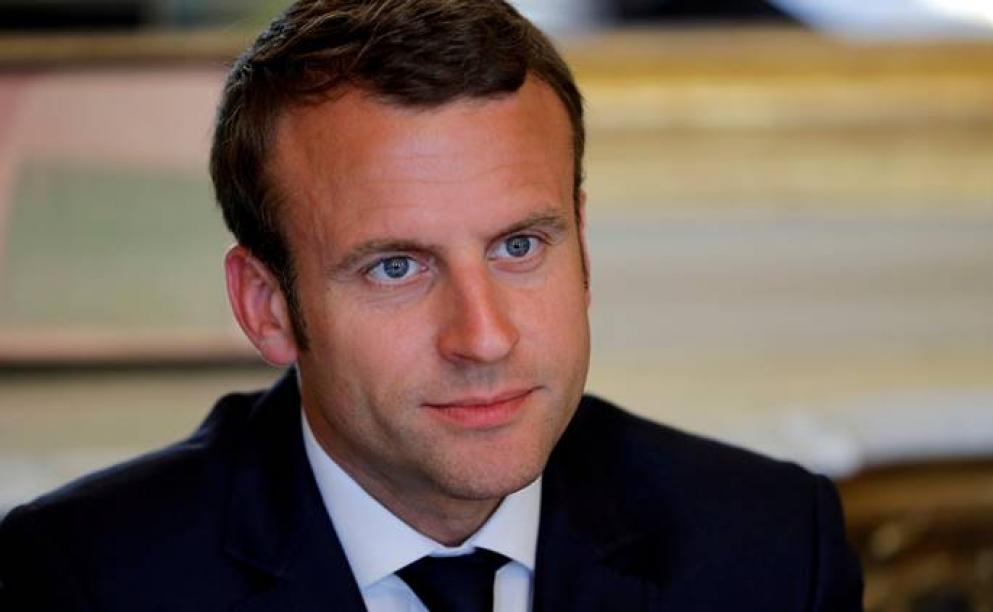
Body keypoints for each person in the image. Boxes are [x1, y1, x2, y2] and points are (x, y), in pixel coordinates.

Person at [0, 1, 863, 610]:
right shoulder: (84, 582)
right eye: (396, 268)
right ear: (267, 307)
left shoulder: (771, 549)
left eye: (519, 247)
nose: (483, 338)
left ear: (583, 248)